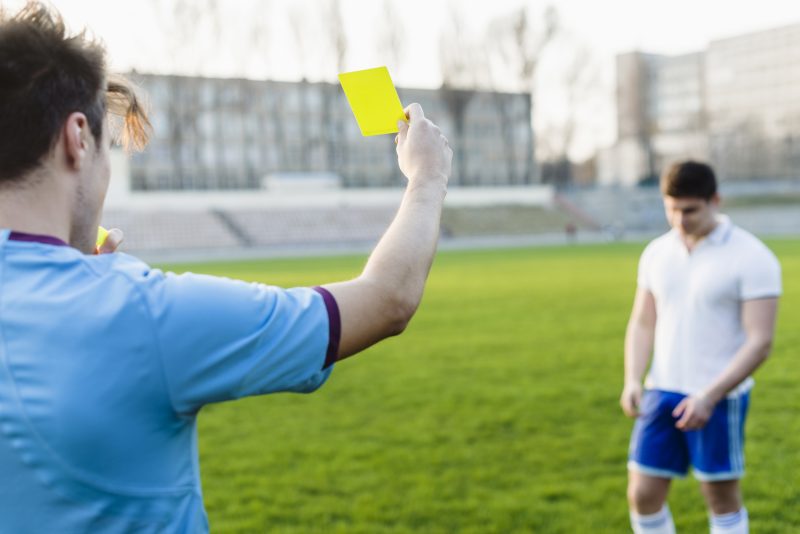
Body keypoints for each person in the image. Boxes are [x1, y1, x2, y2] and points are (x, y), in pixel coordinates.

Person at [0, 2, 452, 531]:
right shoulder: (140, 313)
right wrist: (427, 177)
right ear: (78, 139)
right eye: (108, 150)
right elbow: (385, 298)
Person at [620, 161, 781, 534]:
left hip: (719, 396)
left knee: (720, 497)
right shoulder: (657, 252)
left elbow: (761, 342)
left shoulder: (752, 256)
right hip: (661, 390)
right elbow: (643, 322)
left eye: (689, 209)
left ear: (715, 201)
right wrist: (633, 379)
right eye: (671, 208)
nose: (679, 219)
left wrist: (709, 395)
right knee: (643, 494)